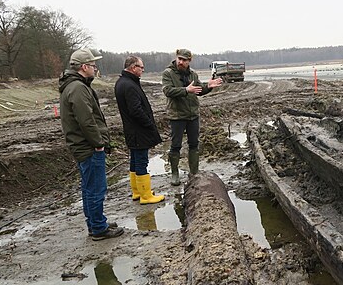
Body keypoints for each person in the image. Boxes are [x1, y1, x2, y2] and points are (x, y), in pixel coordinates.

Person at [59, 49, 124, 241]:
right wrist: (98, 144)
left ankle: (96, 222)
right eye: (93, 65)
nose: (96, 69)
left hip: (82, 145)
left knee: (90, 187)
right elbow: (86, 120)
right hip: (88, 147)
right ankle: (98, 228)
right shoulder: (77, 88)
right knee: (96, 188)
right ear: (84, 67)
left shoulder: (74, 86)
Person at [161, 48, 223, 186]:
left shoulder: (193, 74)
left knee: (194, 143)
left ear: (189, 61)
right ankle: (175, 174)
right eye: (179, 59)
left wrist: (208, 86)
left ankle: (194, 172)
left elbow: (199, 90)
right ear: (176, 58)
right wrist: (185, 90)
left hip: (193, 115)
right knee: (175, 145)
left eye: (184, 60)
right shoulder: (168, 73)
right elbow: (167, 91)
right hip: (177, 115)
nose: (181, 62)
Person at [114, 56, 165, 204]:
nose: (143, 70)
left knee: (135, 160)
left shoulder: (122, 82)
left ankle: (137, 191)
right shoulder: (129, 85)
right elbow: (135, 110)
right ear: (132, 67)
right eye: (141, 67)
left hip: (132, 130)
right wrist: (149, 123)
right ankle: (146, 196)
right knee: (141, 161)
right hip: (138, 131)